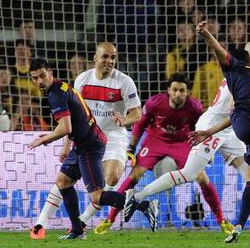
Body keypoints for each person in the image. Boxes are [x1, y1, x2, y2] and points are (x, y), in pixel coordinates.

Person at [124, 21, 250, 243]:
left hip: (230, 130)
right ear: (247, 57)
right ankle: (137, 196)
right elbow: (232, 113)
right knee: (189, 173)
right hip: (214, 127)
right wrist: (208, 132)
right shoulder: (238, 78)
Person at [94, 73, 232, 234]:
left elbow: (199, 127)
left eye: (182, 90)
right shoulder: (155, 103)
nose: (178, 94)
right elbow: (140, 125)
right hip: (156, 140)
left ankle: (221, 220)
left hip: (181, 142)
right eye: (175, 90)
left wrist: (204, 149)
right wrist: (131, 147)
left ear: (187, 92)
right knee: (135, 174)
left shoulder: (195, 107)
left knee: (202, 177)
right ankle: (110, 219)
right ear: (168, 90)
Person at [30, 43, 142, 239]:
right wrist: (67, 145)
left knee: (112, 178)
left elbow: (137, 114)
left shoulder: (124, 82)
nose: (109, 61)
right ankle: (44, 224)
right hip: (88, 135)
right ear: (95, 58)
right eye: (105, 57)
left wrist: (123, 120)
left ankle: (82, 220)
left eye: (113, 57)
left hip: (113, 136)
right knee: (64, 180)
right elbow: (72, 114)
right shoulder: (82, 79)